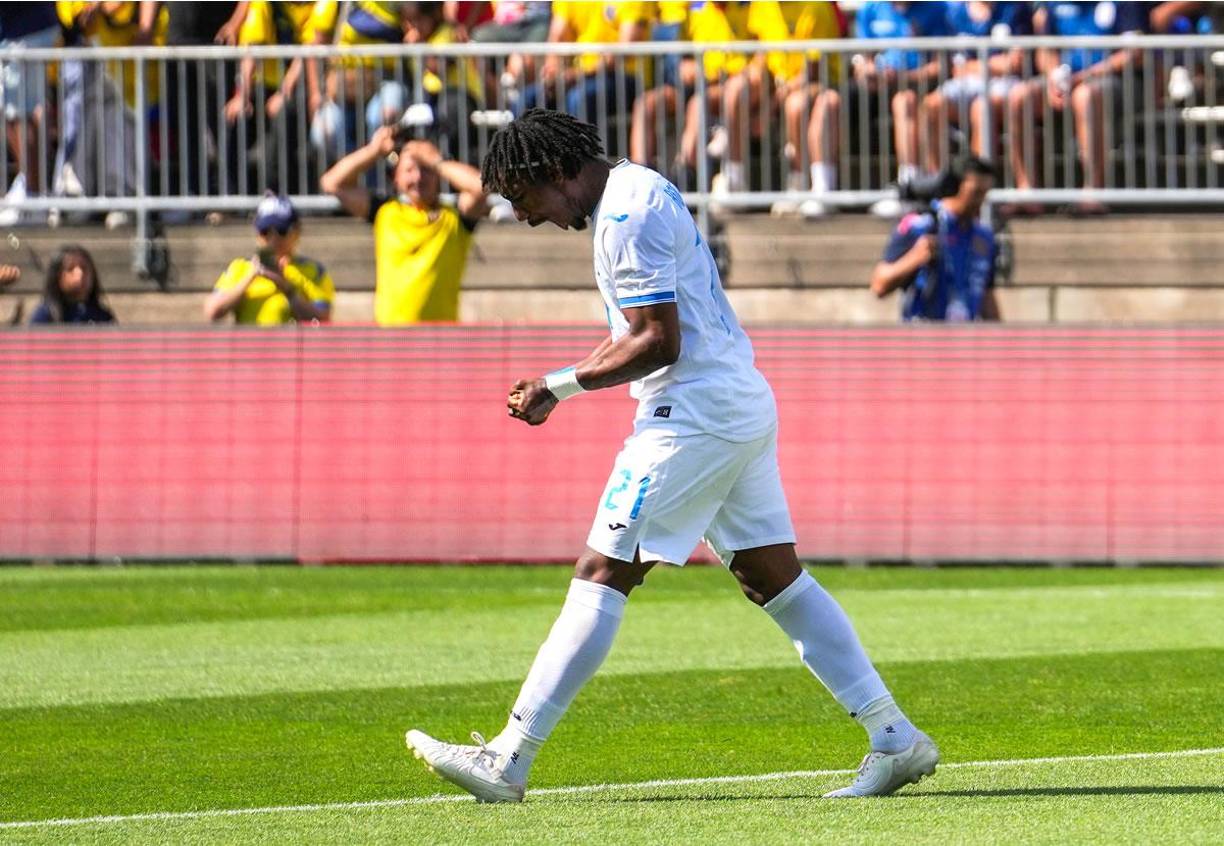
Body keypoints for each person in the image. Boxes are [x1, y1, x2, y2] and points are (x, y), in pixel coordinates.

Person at [405, 109, 939, 803]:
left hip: (692, 417)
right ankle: (893, 736)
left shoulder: (626, 215)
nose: (527, 217)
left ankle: (508, 758)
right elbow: (639, 330)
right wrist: (563, 383)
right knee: (772, 578)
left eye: (525, 198)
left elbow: (658, 340)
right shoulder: (635, 191)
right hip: (732, 402)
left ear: (555, 170)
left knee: (603, 571)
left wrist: (557, 385)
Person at [320, 128, 489, 325]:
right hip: (391, 337)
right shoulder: (385, 212)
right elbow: (331, 182)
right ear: (396, 177)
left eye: (426, 169)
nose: (418, 177)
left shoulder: (453, 217)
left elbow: (481, 187)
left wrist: (437, 161)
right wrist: (374, 150)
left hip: (442, 337)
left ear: (438, 175)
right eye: (409, 170)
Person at [801, 1, 951, 219]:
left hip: (913, 84)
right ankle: (822, 189)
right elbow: (861, 59)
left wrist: (903, 77)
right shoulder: (870, 9)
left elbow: (940, 65)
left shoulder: (936, 9)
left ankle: (909, 191)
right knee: (827, 100)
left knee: (905, 102)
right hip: (873, 86)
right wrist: (868, 70)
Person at [1006, 1, 1148, 215]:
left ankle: (1093, 191)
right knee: (1019, 96)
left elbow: (1133, 53)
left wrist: (1084, 77)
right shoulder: (1053, 5)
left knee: (1084, 96)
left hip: (1115, 81)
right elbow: (1045, 49)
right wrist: (1054, 77)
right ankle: (1027, 192)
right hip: (1066, 80)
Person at [869, 156, 1000, 321]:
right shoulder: (920, 226)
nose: (980, 201)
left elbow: (986, 295)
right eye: (976, 193)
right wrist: (915, 258)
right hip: (923, 331)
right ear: (955, 187)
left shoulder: (984, 237)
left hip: (966, 333)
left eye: (985, 194)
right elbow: (879, 284)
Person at [916, 2, 1033, 174]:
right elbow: (955, 67)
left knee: (981, 108)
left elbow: (1013, 64)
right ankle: (938, 182)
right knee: (930, 105)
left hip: (1004, 82)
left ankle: (978, 184)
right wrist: (991, 64)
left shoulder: (1015, 8)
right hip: (966, 82)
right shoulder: (956, 12)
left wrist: (971, 65)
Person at [203, 194, 334, 325]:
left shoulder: (312, 271)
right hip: (250, 338)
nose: (273, 239)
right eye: (265, 232)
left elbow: (322, 319)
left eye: (281, 231)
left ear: (297, 232)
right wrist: (250, 276)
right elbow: (213, 311)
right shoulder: (240, 268)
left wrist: (287, 289)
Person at [0, 4, 60, 227]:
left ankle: (33, 195)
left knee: (19, 112)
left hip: (25, 33)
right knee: (14, 112)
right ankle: (29, 185)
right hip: (19, 32)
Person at [30, 245, 116, 324]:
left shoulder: (103, 317)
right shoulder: (45, 316)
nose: (80, 274)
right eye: (70, 269)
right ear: (57, 276)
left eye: (84, 268)